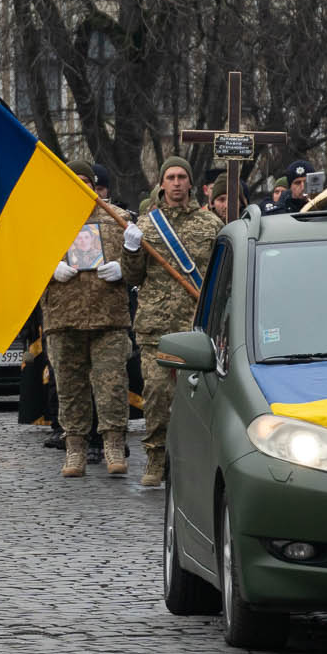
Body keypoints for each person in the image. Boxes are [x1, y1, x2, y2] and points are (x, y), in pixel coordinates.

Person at [121, 155, 222, 488]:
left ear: (191, 183)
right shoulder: (148, 226)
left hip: (197, 329)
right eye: (171, 177)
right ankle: (155, 457)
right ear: (161, 183)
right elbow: (133, 276)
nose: (177, 183)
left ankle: (196, 462)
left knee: (198, 400)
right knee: (158, 395)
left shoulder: (210, 225)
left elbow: (224, 276)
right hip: (156, 329)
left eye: (182, 177)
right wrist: (131, 248)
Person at [46, 161, 139, 478]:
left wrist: (125, 266)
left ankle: (114, 444)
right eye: (74, 180)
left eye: (86, 181)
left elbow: (139, 268)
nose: (81, 186)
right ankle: (75, 449)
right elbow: (24, 267)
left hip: (108, 318)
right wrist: (49, 270)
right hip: (64, 318)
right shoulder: (49, 220)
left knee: (112, 385)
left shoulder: (118, 219)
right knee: (70, 390)